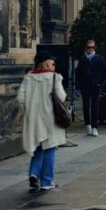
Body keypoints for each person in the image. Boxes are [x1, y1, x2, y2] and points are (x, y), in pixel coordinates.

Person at [17, 48, 66, 192]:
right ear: (46, 63)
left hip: (34, 119)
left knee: (38, 146)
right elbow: (62, 97)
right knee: (50, 148)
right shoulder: (54, 77)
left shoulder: (28, 78)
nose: (53, 65)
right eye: (52, 62)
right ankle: (46, 181)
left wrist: (28, 112)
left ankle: (33, 173)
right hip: (50, 118)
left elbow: (20, 98)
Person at [75, 38, 106, 138]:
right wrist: (79, 85)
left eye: (92, 47)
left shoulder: (99, 58)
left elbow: (105, 72)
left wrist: (100, 83)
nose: (90, 49)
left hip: (95, 86)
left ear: (95, 48)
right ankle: (88, 125)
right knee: (86, 106)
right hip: (85, 86)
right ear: (86, 48)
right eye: (89, 47)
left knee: (94, 106)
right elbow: (78, 73)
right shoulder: (82, 59)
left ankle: (94, 127)